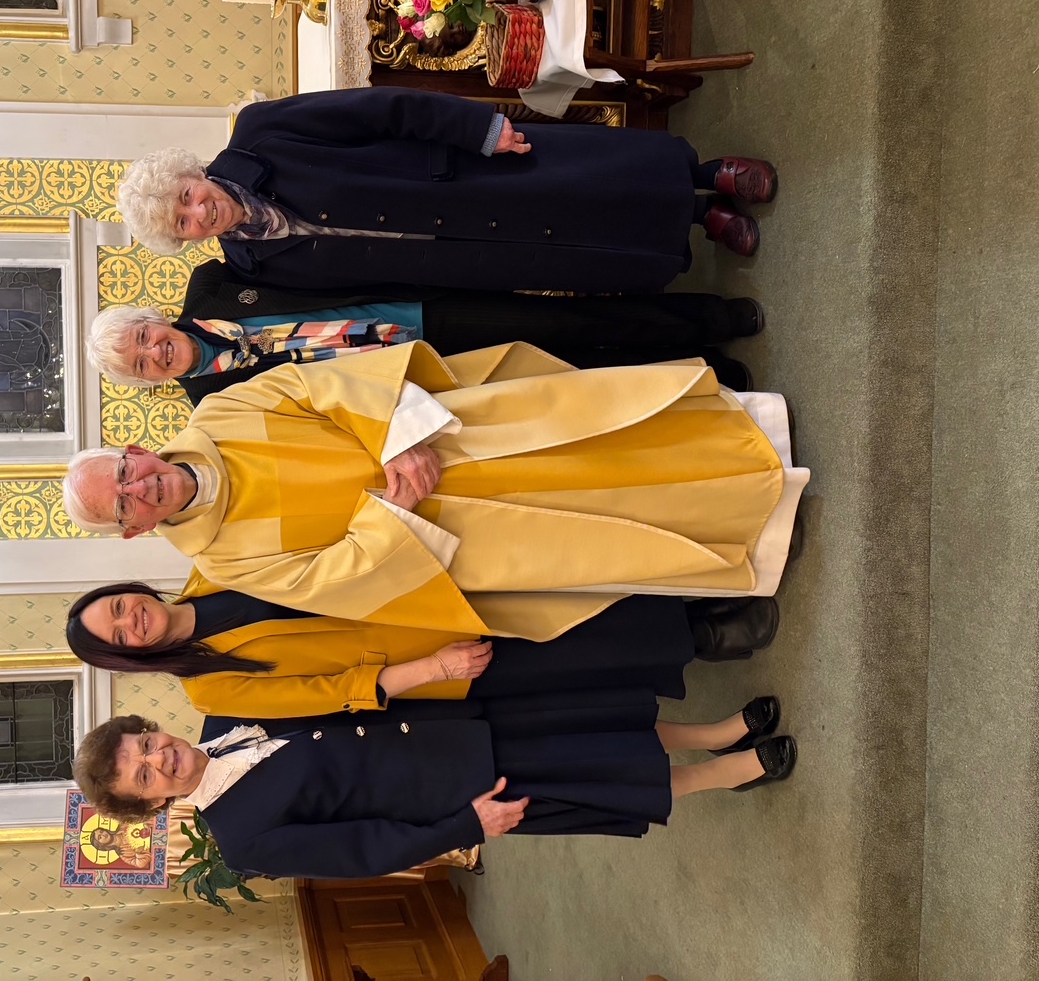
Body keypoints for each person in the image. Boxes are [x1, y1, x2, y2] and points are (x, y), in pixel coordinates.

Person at [61, 341, 808, 638]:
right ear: (134, 531)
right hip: (450, 529)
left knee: (602, 437)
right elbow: (332, 581)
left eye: (126, 473)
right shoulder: (222, 561)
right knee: (605, 523)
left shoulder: (221, 412)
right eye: (124, 504)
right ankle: (758, 526)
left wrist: (397, 437)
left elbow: (325, 386)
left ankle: (758, 435)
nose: (141, 488)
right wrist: (394, 507)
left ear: (135, 450)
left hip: (447, 441)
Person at [114, 87, 778, 297]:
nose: (198, 212)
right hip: (459, 255)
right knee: (581, 246)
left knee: (586, 180)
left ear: (192, 173)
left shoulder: (261, 132)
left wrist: (477, 129)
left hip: (458, 178)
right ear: (187, 241)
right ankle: (699, 223)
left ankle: (703, 177)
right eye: (184, 224)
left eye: (186, 196)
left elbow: (380, 108)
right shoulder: (252, 266)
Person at [72, 702, 799, 880]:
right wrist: (467, 827)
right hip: (462, 791)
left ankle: (715, 730)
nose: (158, 758)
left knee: (594, 728)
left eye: (144, 744)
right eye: (144, 775)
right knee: (601, 780)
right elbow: (360, 851)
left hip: (453, 725)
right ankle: (730, 771)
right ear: (154, 803)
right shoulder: (241, 840)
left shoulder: (225, 715)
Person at [65, 581, 779, 719]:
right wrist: (431, 668)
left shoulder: (210, 569)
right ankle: (709, 637)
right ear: (128, 656)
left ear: (129, 590)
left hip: (415, 589)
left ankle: (695, 605)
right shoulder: (208, 688)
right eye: (119, 636)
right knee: (570, 651)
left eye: (119, 607)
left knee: (560, 596)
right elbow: (323, 696)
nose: (133, 622)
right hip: (430, 657)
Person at [87, 260, 763, 401]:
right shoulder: (213, 403)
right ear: (149, 381)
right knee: (564, 375)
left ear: (151, 319)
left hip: (417, 313)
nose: (154, 353)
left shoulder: (211, 283)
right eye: (141, 365)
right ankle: (706, 372)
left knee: (570, 321)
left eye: (143, 338)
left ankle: (716, 319)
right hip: (414, 380)